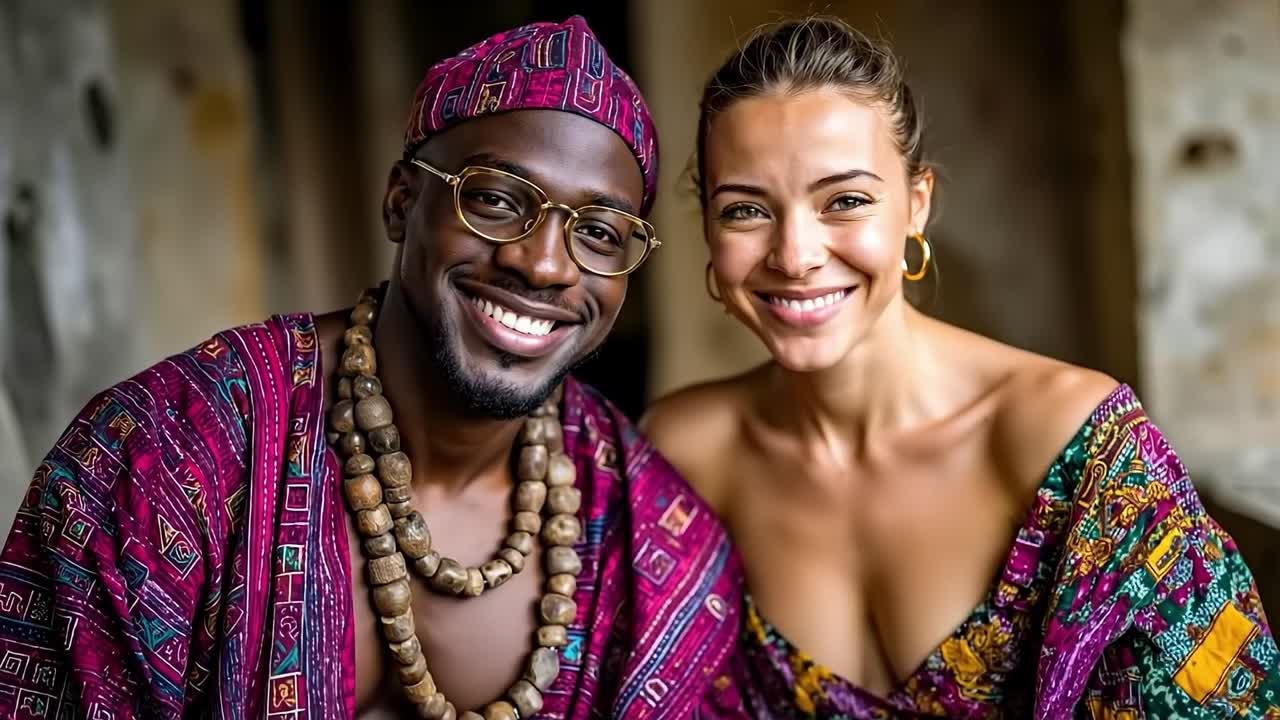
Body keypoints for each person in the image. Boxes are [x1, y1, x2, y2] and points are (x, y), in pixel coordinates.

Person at [0, 17, 746, 720]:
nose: (543, 263)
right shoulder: (165, 457)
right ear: (401, 201)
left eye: (599, 233)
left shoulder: (652, 546)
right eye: (493, 200)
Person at [642, 15, 1280, 719]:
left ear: (916, 205)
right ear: (705, 226)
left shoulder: (1074, 448)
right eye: (745, 210)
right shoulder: (683, 454)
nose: (794, 256)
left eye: (845, 201)